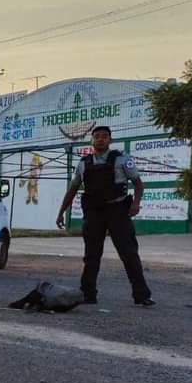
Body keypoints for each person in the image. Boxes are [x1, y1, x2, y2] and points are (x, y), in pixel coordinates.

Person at [55, 126, 154, 306]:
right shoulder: (84, 163)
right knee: (91, 255)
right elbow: (73, 188)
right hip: (94, 213)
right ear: (92, 140)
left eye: (104, 137)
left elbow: (138, 184)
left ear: (110, 140)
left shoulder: (121, 159)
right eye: (97, 137)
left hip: (118, 211)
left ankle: (142, 295)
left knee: (129, 253)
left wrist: (136, 203)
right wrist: (61, 212)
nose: (100, 139)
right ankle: (88, 294)